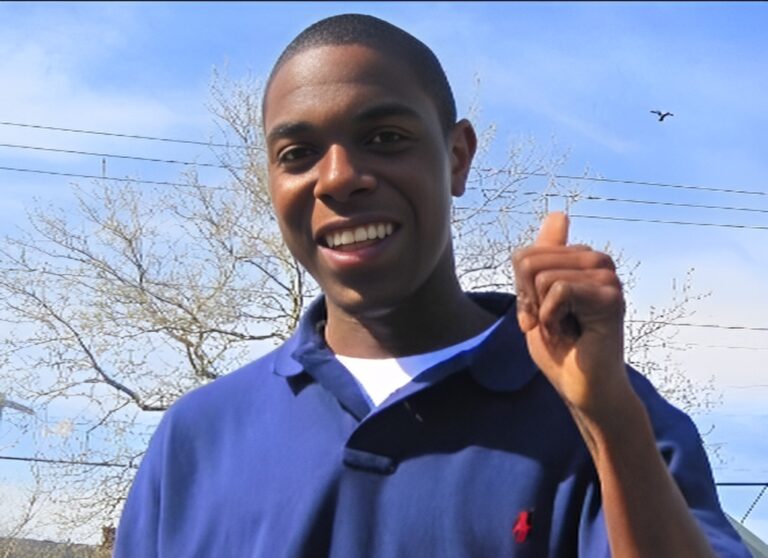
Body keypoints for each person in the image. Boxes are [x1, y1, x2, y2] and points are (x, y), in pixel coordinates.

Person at [114, 13, 750, 557]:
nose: (338, 178)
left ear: (458, 156)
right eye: (298, 154)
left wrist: (609, 423)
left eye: (385, 138)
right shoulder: (197, 438)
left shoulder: (605, 408)